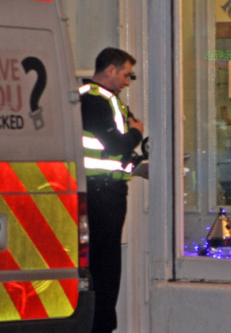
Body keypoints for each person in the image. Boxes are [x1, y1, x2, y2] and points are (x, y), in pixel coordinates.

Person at [79, 47, 144, 333]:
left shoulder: (106, 99)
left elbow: (115, 153)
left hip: (103, 189)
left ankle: (102, 322)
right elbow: (116, 145)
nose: (128, 82)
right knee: (105, 266)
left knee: (104, 265)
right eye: (126, 75)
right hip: (101, 194)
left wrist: (136, 162)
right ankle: (101, 325)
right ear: (111, 70)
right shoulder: (94, 100)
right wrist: (136, 133)